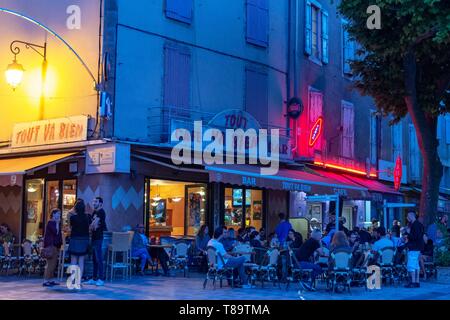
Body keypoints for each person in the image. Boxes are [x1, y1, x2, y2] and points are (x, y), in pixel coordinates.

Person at [67, 199, 90, 286]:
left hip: (74, 239)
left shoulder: (73, 218)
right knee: (81, 261)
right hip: (84, 240)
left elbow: (70, 228)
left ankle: (73, 280)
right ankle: (79, 281)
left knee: (73, 261)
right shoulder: (87, 217)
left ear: (75, 208)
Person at [86, 197, 107, 286]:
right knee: (94, 259)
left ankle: (101, 279)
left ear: (101, 203)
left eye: (96, 202)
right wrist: (92, 225)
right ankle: (94, 278)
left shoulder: (101, 212)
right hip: (94, 237)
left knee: (99, 259)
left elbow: (93, 226)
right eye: (93, 201)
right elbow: (91, 226)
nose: (93, 203)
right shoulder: (94, 212)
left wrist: (93, 225)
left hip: (98, 237)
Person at [42, 208, 63, 287]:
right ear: (53, 214)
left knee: (54, 264)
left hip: (55, 246)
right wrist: (57, 223)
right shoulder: (51, 222)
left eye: (60, 214)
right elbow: (55, 231)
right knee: (50, 264)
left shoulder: (57, 222)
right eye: (58, 213)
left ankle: (50, 280)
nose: (59, 215)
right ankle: (45, 280)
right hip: (51, 245)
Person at [405, 211, 424, 288]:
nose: (407, 218)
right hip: (418, 247)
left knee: (411, 265)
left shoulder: (414, 225)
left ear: (411, 216)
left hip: (413, 247)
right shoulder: (419, 224)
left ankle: (413, 282)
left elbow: (414, 237)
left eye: (407, 216)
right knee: (416, 265)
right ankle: (417, 281)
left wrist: (408, 233)